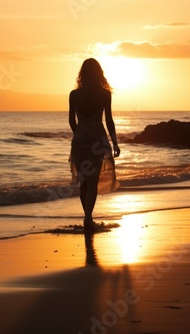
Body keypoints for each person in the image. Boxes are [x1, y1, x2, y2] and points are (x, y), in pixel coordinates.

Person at [69, 58, 120, 233]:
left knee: (84, 180)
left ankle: (88, 217)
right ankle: (88, 217)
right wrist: (115, 142)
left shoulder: (74, 95)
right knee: (93, 181)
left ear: (82, 74)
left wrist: (80, 134)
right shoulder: (105, 94)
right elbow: (109, 121)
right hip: (98, 139)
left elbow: (71, 121)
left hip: (80, 140)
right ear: (99, 73)